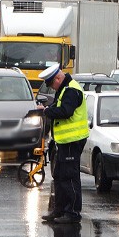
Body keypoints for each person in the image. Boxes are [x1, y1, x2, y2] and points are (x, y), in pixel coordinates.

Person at [38, 63, 89, 224]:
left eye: (51, 84)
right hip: (64, 141)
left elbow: (66, 112)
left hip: (73, 140)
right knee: (59, 175)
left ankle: (72, 212)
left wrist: (47, 111)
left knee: (69, 177)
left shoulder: (71, 90)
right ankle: (59, 210)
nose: (52, 88)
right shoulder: (65, 89)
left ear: (58, 79)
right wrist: (47, 108)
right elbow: (59, 106)